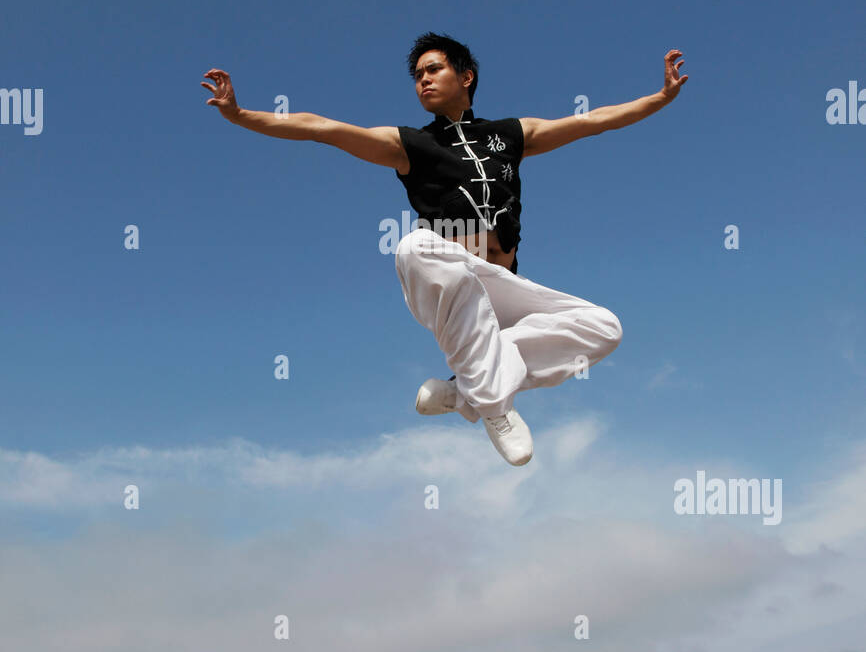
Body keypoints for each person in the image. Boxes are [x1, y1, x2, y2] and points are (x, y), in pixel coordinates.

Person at [201, 33, 687, 467]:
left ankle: (465, 394)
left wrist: (660, 98)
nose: (423, 81)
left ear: (466, 76)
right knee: (414, 245)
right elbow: (320, 128)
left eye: (433, 69)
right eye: (417, 76)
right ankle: (495, 408)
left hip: (502, 287)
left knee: (604, 328)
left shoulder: (510, 135)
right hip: (447, 281)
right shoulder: (408, 143)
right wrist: (241, 115)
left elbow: (594, 121)